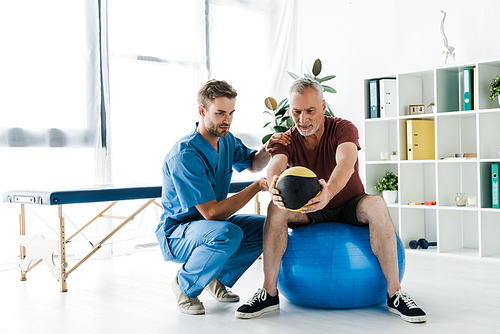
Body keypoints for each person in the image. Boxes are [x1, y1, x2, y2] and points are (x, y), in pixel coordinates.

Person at [236, 78, 426, 323]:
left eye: (310, 111)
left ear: (323, 107)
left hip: (349, 204)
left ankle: (395, 294)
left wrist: (328, 193)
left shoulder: (343, 128)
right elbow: (276, 166)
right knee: (276, 208)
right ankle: (269, 293)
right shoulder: (288, 139)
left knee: (377, 204)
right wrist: (273, 186)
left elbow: (345, 163)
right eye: (296, 112)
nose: (303, 119)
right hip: (309, 209)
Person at [155, 79, 290, 315]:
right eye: (220, 113)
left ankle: (213, 277)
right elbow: (212, 212)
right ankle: (185, 286)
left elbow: (252, 164)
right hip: (179, 232)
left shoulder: (226, 140)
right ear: (202, 111)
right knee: (229, 233)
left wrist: (268, 148)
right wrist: (257, 187)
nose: (226, 120)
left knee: (268, 228)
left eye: (231, 113)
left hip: (210, 226)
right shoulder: (185, 154)